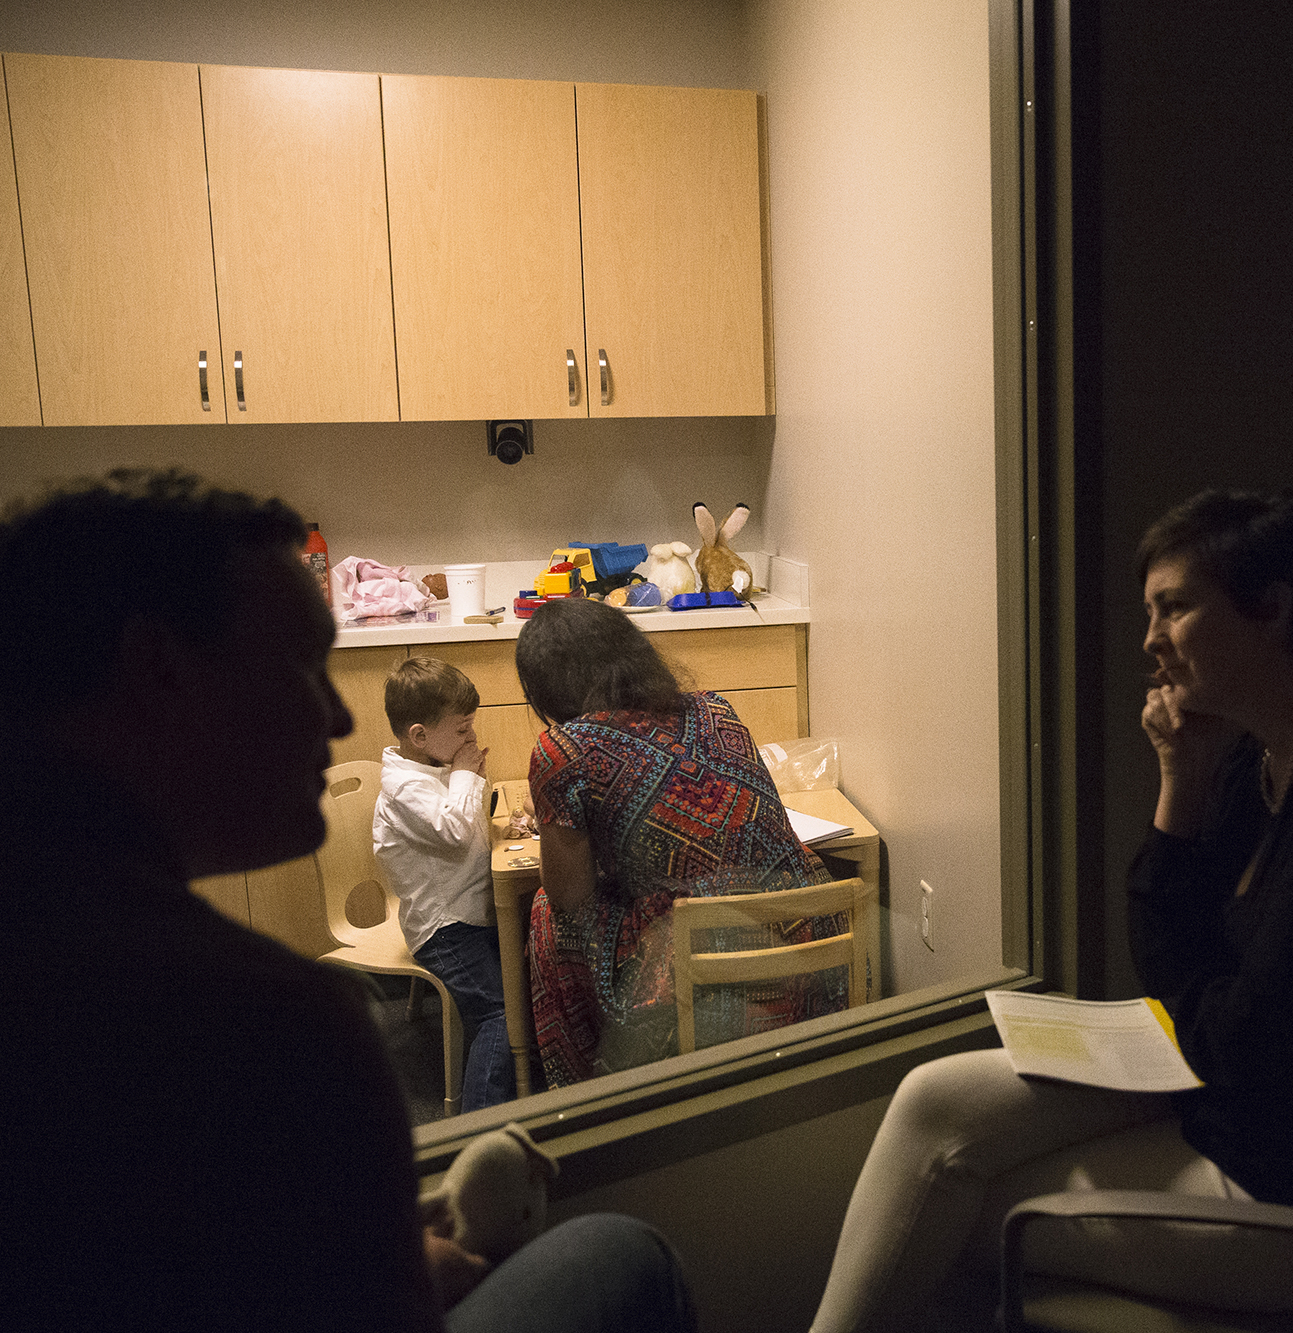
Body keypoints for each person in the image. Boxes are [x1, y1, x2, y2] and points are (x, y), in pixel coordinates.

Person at [0, 469, 694, 1333]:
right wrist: (400, 1261)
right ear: (160, 671)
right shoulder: (279, 1023)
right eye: (301, 665)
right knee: (625, 1251)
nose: (333, 715)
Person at [809, 488, 1293, 1332]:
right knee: (930, 1100)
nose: (1149, 639)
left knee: (954, 1214)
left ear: (1272, 607)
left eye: (1173, 607)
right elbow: (1176, 963)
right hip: (1221, 1097)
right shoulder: (1259, 761)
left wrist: (1180, 1019)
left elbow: (1244, 1036)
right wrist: (1179, 777)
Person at [514, 595, 835, 1085]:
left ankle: (590, 1096)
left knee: (543, 913)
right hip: (801, 931)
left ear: (546, 689)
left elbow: (569, 897)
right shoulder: (715, 708)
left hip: (690, 961)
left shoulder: (564, 750)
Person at [374, 656, 513, 1113]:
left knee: (529, 964)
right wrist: (466, 776)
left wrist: (500, 822)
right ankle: (477, 1127)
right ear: (419, 735)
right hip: (445, 929)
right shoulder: (403, 788)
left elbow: (467, 822)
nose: (471, 738)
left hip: (471, 910)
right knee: (498, 1013)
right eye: (461, 730)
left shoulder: (436, 767)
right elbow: (452, 831)